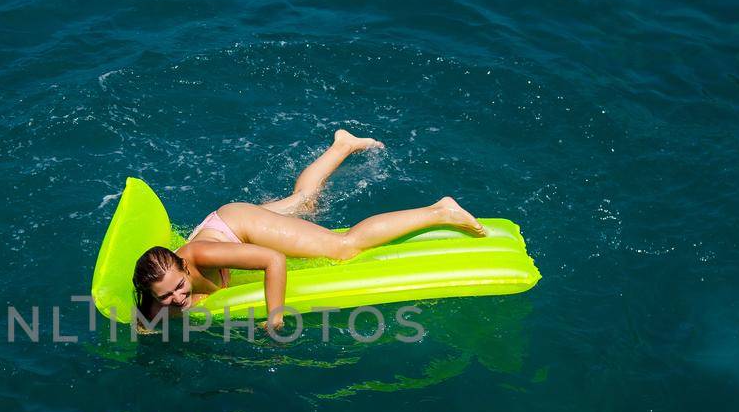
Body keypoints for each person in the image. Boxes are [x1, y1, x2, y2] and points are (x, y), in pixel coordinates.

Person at [132, 130, 488, 335]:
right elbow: (144, 320)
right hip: (223, 223)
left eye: (179, 286)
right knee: (305, 202)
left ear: (181, 265)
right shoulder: (156, 297)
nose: (177, 298)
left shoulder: (204, 257)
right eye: (165, 297)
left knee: (343, 247)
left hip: (239, 224)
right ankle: (343, 145)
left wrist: (275, 314)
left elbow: (273, 260)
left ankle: (439, 210)